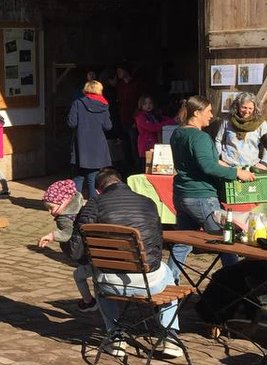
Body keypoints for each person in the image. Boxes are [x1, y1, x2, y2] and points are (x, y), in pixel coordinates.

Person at [69, 168, 183, 358]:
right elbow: (157, 242)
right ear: (122, 182)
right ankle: (170, 338)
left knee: (99, 276)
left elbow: (75, 251)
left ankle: (116, 337)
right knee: (168, 273)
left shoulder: (93, 205)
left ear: (98, 190)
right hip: (150, 283)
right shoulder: (148, 202)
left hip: (110, 284)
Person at [168, 96, 256, 282]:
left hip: (183, 194)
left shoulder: (178, 133)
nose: (210, 115)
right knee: (226, 239)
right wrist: (236, 173)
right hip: (201, 195)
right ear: (197, 112)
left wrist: (228, 166)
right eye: (208, 111)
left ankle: (169, 280)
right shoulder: (199, 136)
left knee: (182, 243)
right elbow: (207, 166)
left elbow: (211, 161)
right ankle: (236, 284)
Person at [35, 179, 95, 312]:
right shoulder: (81, 204)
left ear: (63, 203)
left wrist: (51, 236)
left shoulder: (65, 217)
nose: (50, 212)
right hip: (96, 252)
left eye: (51, 208)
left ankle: (89, 302)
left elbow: (67, 234)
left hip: (88, 256)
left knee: (79, 276)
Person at [68, 80, 113, 200]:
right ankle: (93, 206)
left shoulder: (77, 103)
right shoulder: (103, 105)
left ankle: (75, 207)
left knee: (78, 177)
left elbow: (71, 123)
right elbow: (108, 126)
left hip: (80, 145)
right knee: (92, 179)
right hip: (97, 145)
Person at [215, 92, 267, 168]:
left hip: (251, 167)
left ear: (255, 108)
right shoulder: (227, 121)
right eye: (244, 107)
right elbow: (218, 140)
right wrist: (218, 158)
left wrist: (264, 163)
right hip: (228, 166)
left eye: (250, 108)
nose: (247, 111)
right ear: (237, 106)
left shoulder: (260, 123)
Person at [115, 66, 144, 171]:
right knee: (125, 146)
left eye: (120, 70)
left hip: (134, 121)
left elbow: (140, 103)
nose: (118, 72)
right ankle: (127, 170)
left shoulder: (137, 84)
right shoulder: (120, 85)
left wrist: (136, 119)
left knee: (135, 147)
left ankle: (138, 169)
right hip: (123, 119)